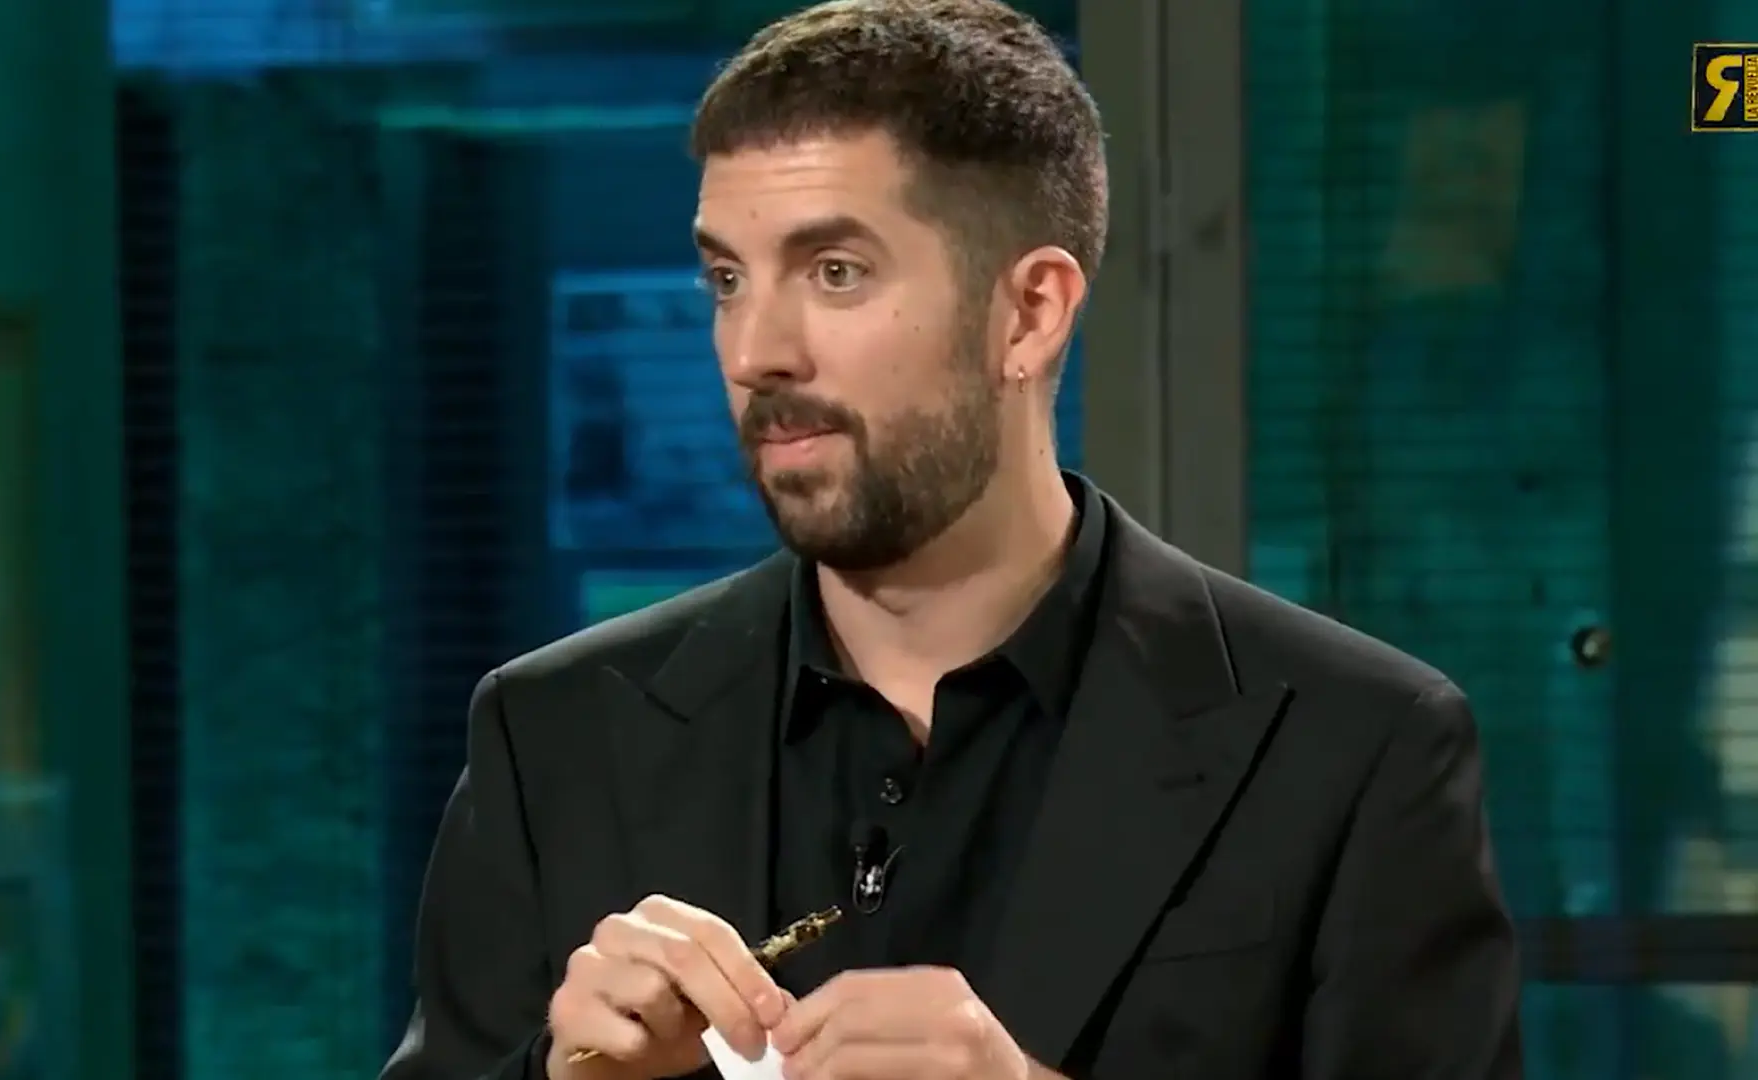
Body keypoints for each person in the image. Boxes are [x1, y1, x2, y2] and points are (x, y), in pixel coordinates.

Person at [381, 0, 1525, 1077]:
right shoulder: (558, 738)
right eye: (727, 278)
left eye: (835, 273)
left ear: (1029, 312)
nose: (755, 350)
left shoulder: (1352, 750)